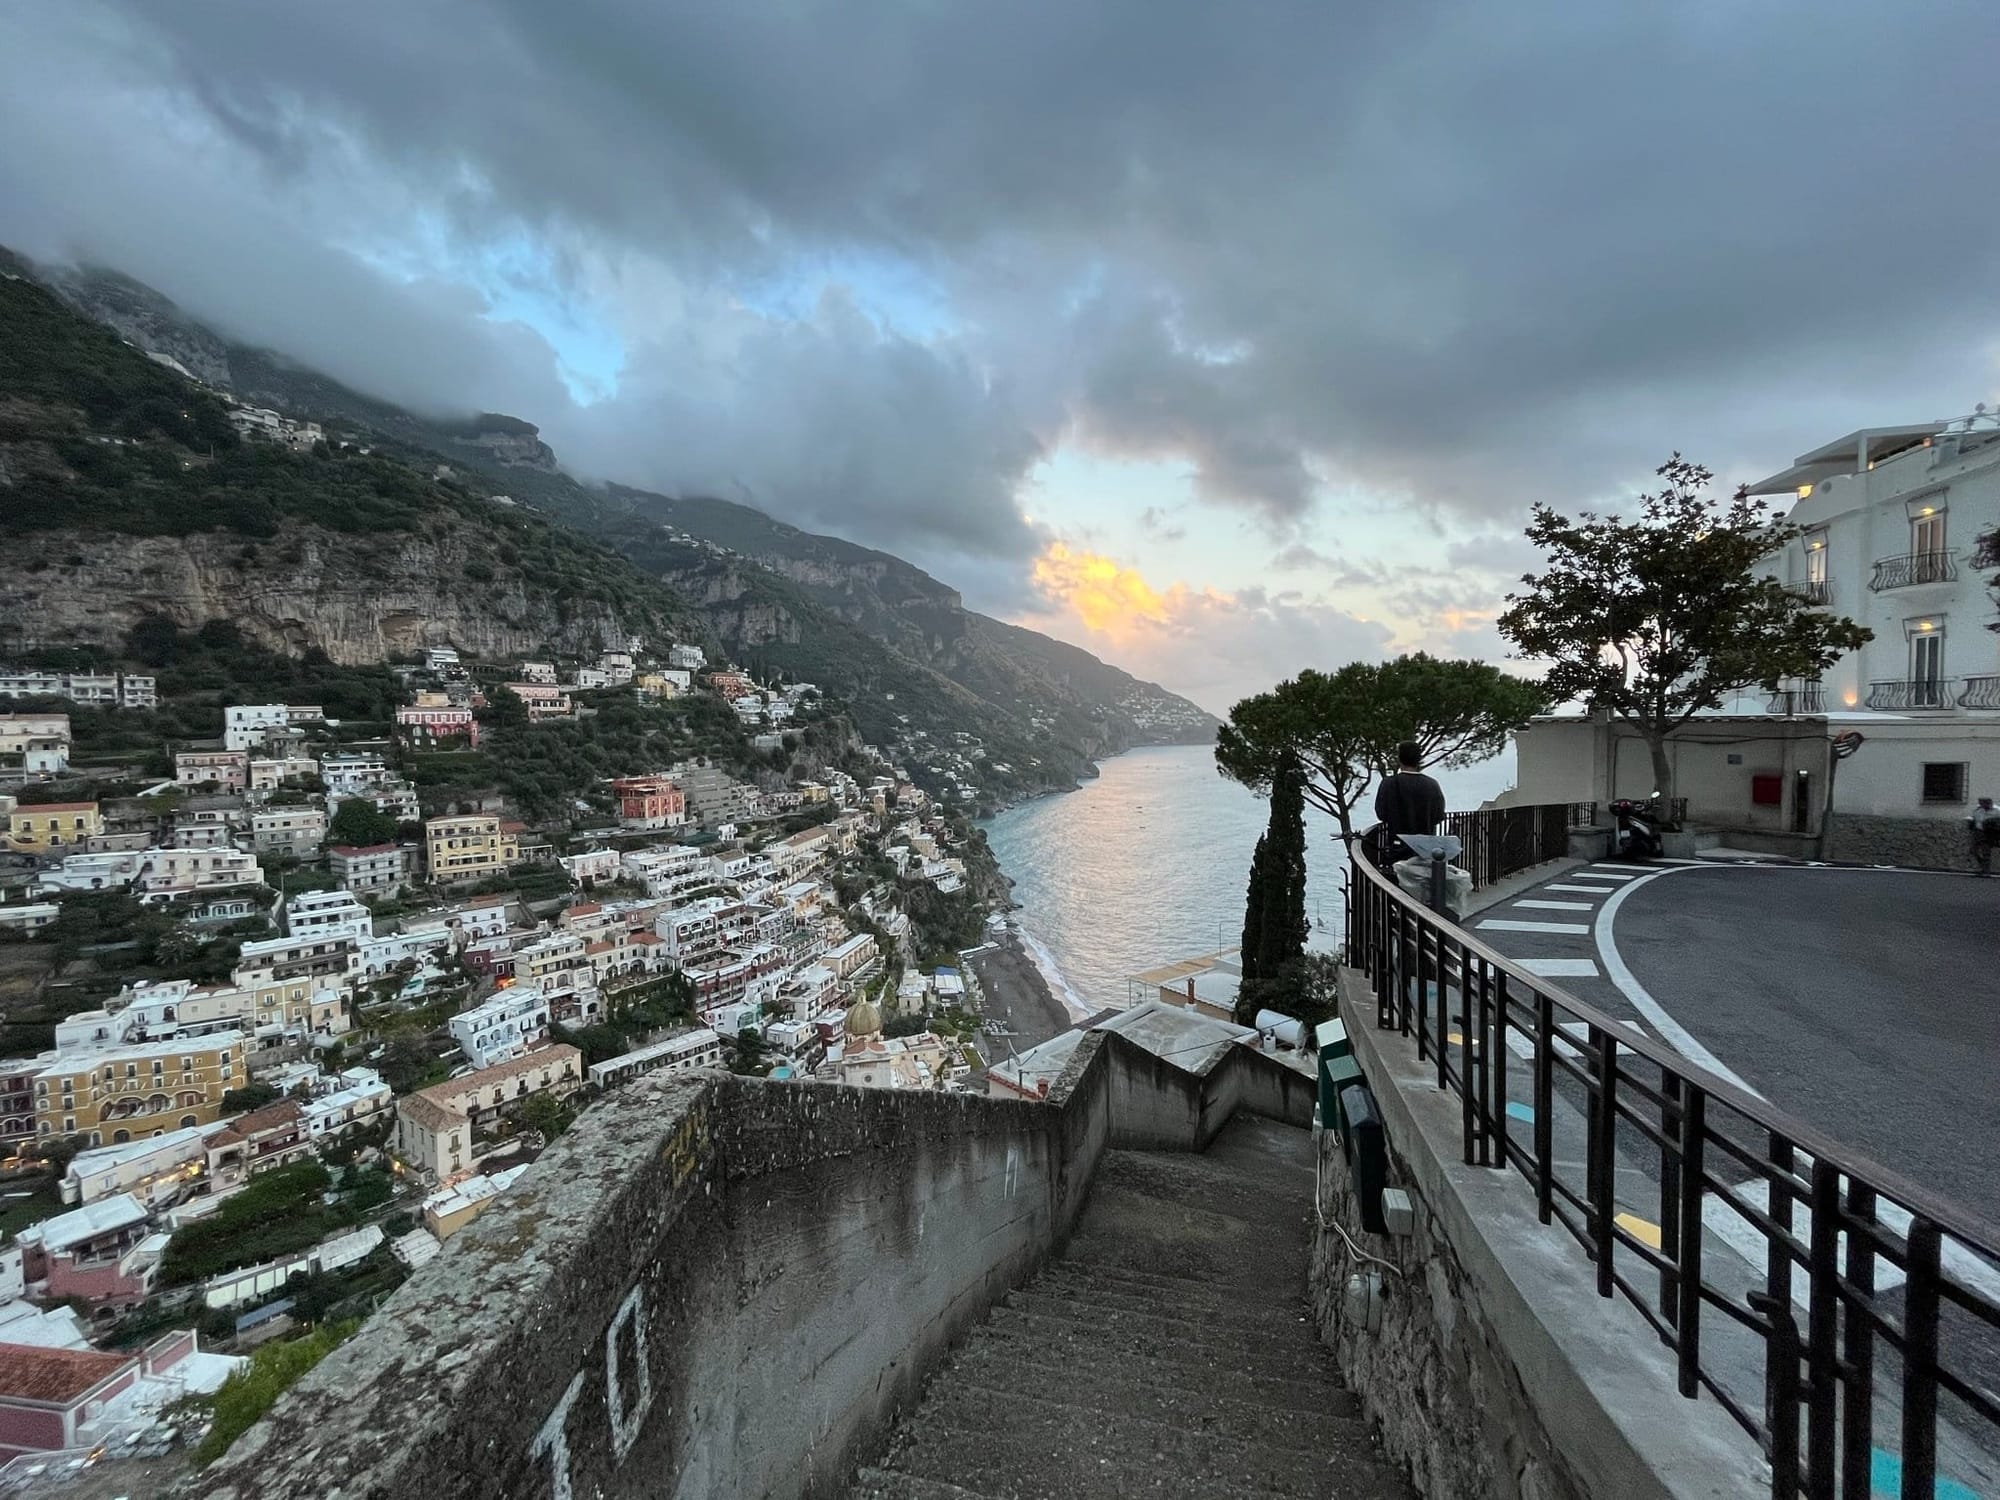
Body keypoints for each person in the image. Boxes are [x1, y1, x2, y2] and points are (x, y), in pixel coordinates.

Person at [1373, 742, 1447, 866]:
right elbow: (1439, 816)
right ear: (1419, 760)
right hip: (1425, 850)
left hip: (1397, 848)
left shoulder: (1389, 783)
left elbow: (1381, 813)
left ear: (1399, 759)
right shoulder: (1432, 784)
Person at [1971, 796, 2000, 878]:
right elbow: (1975, 820)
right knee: (1973, 851)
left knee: (1986, 853)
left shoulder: (1997, 810)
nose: (1980, 804)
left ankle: (1986, 871)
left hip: (1990, 834)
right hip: (1979, 832)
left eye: (1982, 803)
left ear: (1988, 803)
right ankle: (1984, 867)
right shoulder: (1978, 810)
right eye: (1980, 803)